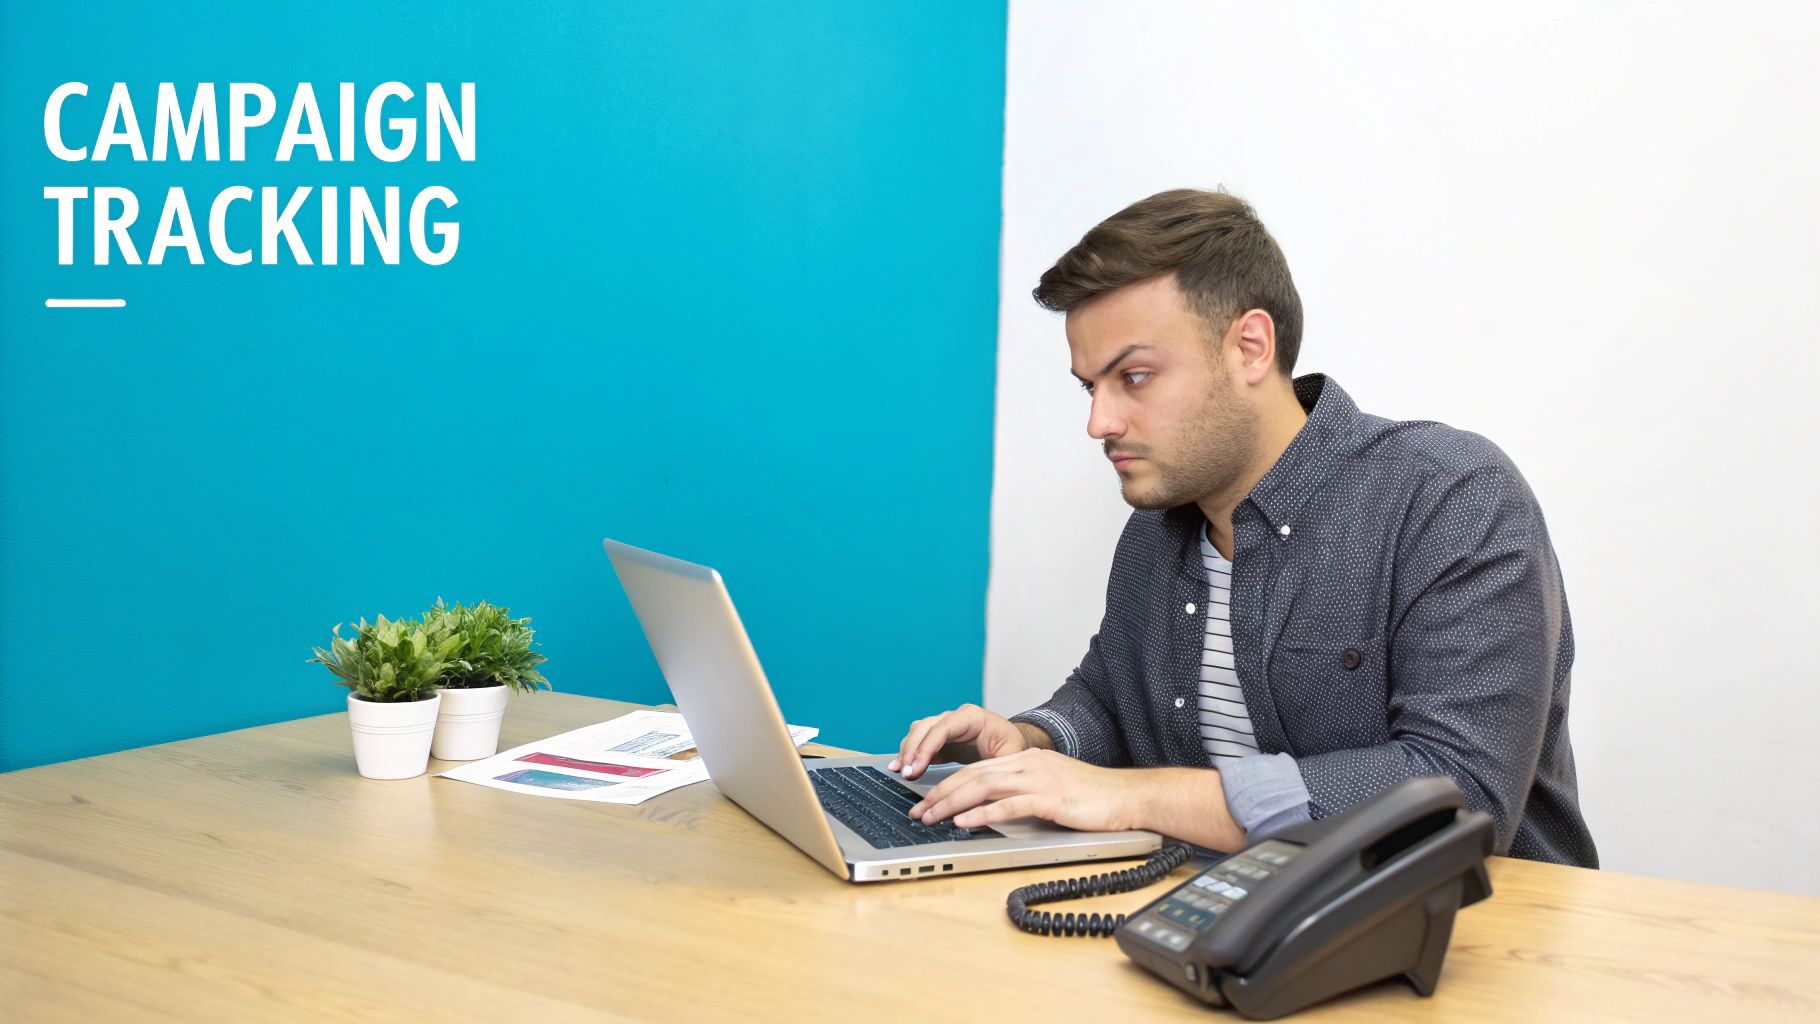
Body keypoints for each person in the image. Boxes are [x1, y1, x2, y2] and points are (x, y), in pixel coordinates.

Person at [890, 189, 1596, 865]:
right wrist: (1025, 740)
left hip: (1478, 952)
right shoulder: (1158, 530)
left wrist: (1132, 796)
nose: (1099, 423)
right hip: (1232, 928)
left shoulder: (1450, 499)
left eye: (1133, 377)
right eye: (1090, 387)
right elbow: (1112, 700)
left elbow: (1457, 797)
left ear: (1251, 347)